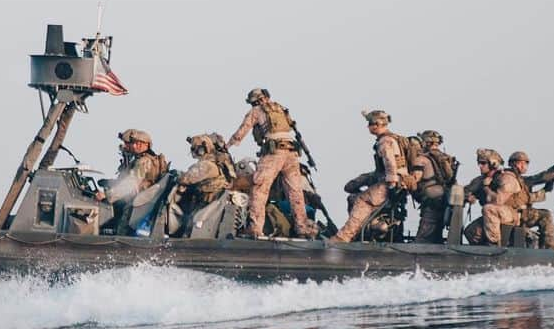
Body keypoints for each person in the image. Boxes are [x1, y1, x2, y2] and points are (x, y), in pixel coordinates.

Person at [226, 88, 313, 238]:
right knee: (295, 193)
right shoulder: (281, 109)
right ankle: (303, 229)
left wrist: (227, 146)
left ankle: (255, 229)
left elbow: (242, 131)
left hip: (275, 153)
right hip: (292, 153)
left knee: (259, 188)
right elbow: (295, 132)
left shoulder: (256, 111)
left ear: (254, 101)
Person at [330, 110, 417, 243]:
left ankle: (343, 237)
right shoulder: (395, 139)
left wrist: (392, 185)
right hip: (400, 180)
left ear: (377, 124)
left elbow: (390, 164)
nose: (368, 127)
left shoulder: (385, 141)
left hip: (393, 181)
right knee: (355, 196)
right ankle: (362, 232)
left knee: (362, 201)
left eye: (370, 124)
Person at [95, 128, 169, 232]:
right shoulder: (147, 159)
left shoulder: (144, 162)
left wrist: (107, 196)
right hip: (141, 200)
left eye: (127, 143)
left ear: (139, 145)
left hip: (138, 204)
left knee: (120, 230)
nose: (125, 147)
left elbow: (130, 185)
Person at [410, 129, 457, 243]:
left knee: (423, 237)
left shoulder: (421, 159)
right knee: (436, 236)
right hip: (445, 200)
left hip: (431, 202)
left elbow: (414, 179)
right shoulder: (446, 158)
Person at [506, 150, 554, 249]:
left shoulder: (519, 179)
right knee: (545, 215)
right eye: (519, 163)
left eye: (525, 163)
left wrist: (545, 190)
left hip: (515, 213)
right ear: (512, 164)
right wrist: (545, 189)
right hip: (515, 213)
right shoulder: (511, 178)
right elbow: (524, 198)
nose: (523, 166)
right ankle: (550, 248)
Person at [175, 134, 232, 219]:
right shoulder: (213, 161)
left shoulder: (206, 164)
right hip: (210, 198)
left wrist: (177, 177)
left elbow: (187, 178)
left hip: (208, 200)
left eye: (198, 149)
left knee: (189, 223)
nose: (196, 153)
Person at [463, 148, 504, 244]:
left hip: (503, 216)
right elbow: (465, 191)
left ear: (493, 164)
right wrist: (468, 197)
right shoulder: (479, 181)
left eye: (483, 163)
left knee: (472, 231)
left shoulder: (503, 179)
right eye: (479, 163)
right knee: (470, 231)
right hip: (489, 217)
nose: (480, 166)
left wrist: (486, 188)